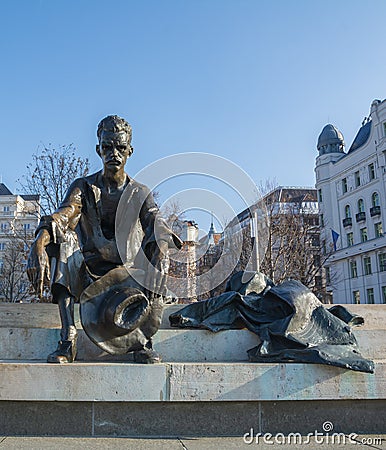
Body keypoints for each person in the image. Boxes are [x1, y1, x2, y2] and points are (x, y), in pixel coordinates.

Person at [27, 115, 181, 363]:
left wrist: (162, 251)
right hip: (89, 273)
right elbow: (64, 216)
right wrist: (39, 243)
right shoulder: (83, 186)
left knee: (155, 247)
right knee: (63, 245)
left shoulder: (139, 192)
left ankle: (142, 341)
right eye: (107, 147)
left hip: (128, 275)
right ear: (98, 149)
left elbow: (155, 220)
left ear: (130, 151)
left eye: (120, 147)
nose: (114, 154)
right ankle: (68, 338)